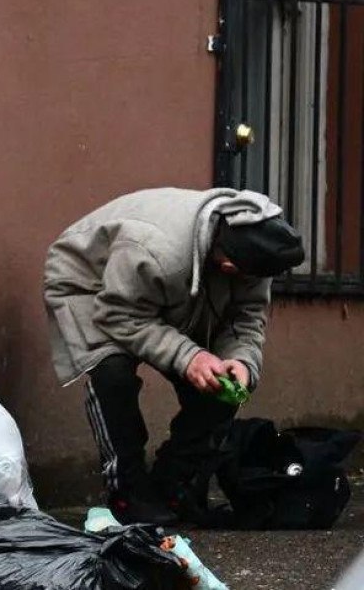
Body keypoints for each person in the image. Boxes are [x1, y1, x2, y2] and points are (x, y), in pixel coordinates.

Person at [43, 187, 305, 526]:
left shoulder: (255, 247)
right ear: (226, 262)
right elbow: (118, 315)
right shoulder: (155, 249)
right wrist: (189, 357)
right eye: (238, 271)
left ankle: (172, 482)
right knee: (113, 375)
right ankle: (128, 491)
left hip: (176, 287)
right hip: (93, 287)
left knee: (220, 386)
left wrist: (241, 361)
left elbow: (247, 316)